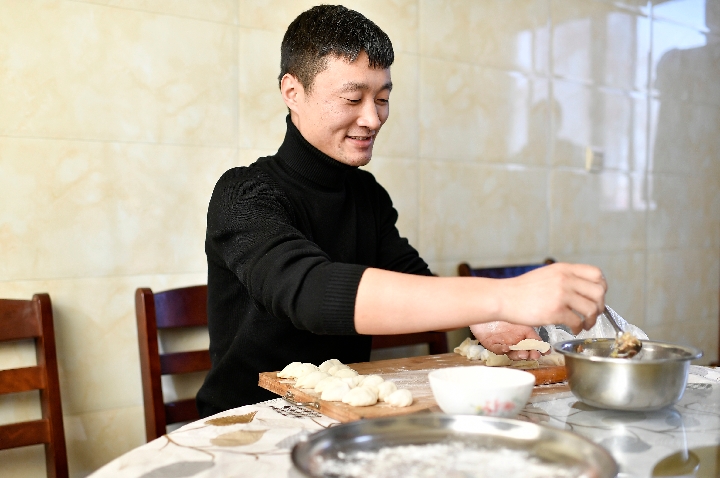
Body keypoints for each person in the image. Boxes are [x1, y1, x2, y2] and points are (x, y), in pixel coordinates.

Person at [196, 5, 606, 417]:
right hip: (245, 422)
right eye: (353, 98)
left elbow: (412, 279)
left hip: (341, 417)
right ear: (292, 92)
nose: (373, 118)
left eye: (383, 99)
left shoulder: (366, 194)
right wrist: (504, 296)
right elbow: (311, 293)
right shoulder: (243, 194)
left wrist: (485, 320)